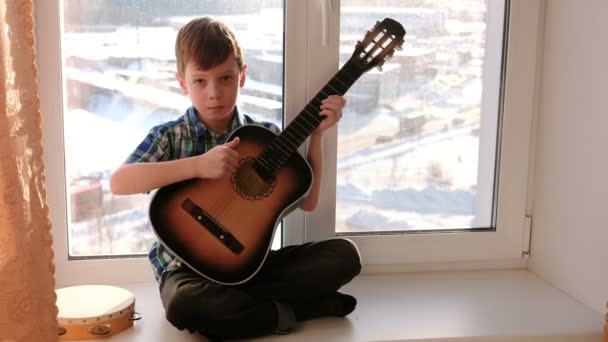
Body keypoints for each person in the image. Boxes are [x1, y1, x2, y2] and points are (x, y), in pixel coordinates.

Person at [110, 16, 361, 339]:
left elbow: (309, 201)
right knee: (184, 305)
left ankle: (244, 311)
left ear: (242, 77)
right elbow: (120, 182)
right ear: (182, 83)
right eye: (200, 81)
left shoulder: (264, 138)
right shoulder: (171, 136)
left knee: (344, 257)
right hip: (184, 272)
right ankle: (297, 310)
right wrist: (197, 166)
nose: (214, 92)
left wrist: (317, 137)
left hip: (247, 266)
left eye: (225, 78)